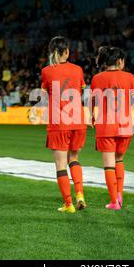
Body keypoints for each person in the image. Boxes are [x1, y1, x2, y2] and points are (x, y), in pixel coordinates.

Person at [90, 47, 134, 210]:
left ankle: (114, 201)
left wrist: (93, 116)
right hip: (125, 126)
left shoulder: (97, 78)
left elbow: (93, 102)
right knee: (119, 160)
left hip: (106, 126)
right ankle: (119, 195)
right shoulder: (129, 77)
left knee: (109, 165)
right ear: (119, 61)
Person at [41, 36, 87, 213]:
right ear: (67, 51)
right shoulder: (78, 70)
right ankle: (80, 195)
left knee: (60, 165)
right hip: (77, 120)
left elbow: (45, 94)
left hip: (59, 122)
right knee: (74, 159)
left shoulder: (47, 71)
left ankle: (68, 204)